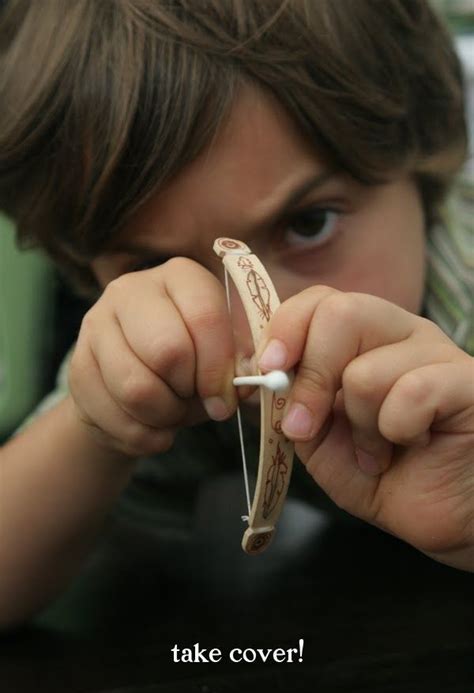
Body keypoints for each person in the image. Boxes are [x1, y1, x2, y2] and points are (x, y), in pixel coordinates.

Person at [0, 0, 472, 628]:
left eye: (307, 224)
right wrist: (96, 428)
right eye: (151, 267)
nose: (259, 332)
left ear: (423, 159)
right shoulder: (172, 357)